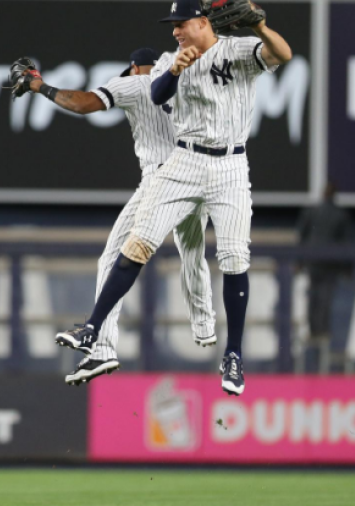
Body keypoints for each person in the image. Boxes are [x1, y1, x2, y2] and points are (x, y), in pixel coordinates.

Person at [55, 0, 292, 396]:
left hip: (231, 167)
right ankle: (92, 329)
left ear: (202, 22)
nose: (175, 30)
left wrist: (263, 26)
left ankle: (233, 354)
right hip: (184, 160)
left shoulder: (235, 49)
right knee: (138, 243)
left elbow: (282, 54)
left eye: (181, 23)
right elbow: (157, 94)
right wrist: (178, 68)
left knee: (234, 258)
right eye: (173, 25)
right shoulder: (170, 60)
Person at [20, 48, 217, 385]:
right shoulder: (187, 83)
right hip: (198, 175)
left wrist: (39, 86)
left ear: (135, 67)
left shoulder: (138, 83)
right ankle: (204, 328)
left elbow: (82, 104)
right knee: (193, 256)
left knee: (113, 258)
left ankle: (102, 347)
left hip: (162, 179)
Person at [295, 183, 352, 344]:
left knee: (315, 298)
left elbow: (302, 238)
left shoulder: (314, 212)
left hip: (315, 264)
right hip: (329, 265)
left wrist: (299, 262)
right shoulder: (339, 214)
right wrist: (348, 269)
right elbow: (345, 244)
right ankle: (321, 333)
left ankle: (315, 332)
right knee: (323, 300)